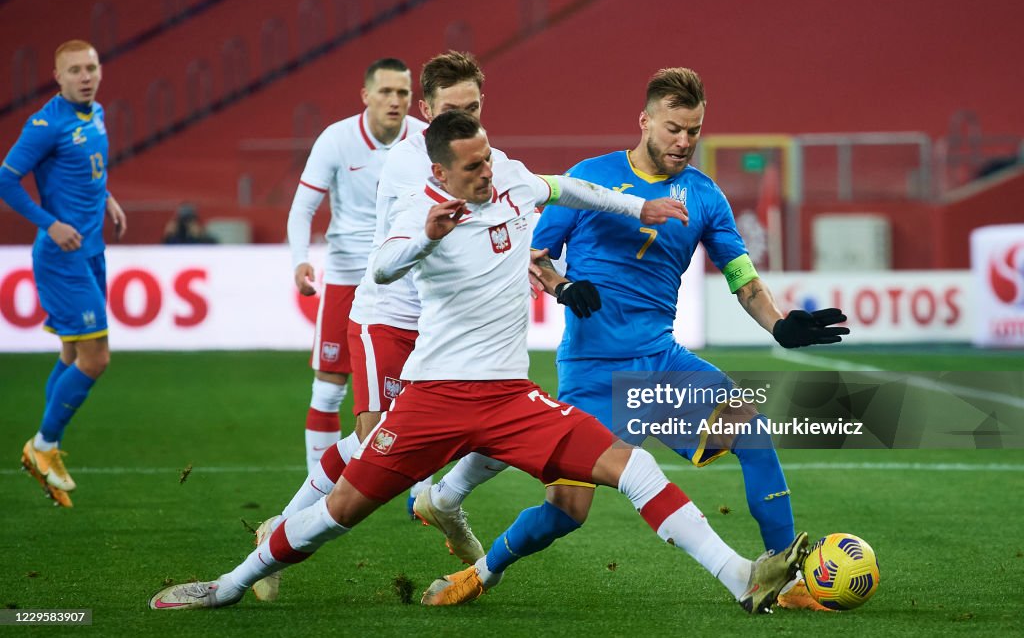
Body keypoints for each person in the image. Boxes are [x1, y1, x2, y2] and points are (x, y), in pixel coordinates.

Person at [149, 109, 809, 615]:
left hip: (508, 397)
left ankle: (740, 576)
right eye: (472, 168)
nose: (486, 174)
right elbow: (382, 264)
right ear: (441, 173)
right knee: (339, 511)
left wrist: (640, 204)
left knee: (630, 464)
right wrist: (422, 242)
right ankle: (231, 583)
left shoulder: (515, 179)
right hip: (434, 398)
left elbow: (577, 191)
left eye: (487, 159)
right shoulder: (419, 212)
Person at [425, 68, 849, 609]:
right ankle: (482, 573)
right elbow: (531, 254)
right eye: (674, 128)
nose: (684, 141)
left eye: (694, 131)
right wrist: (562, 285)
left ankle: (784, 581)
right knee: (566, 511)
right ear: (645, 121)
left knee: (753, 432)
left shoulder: (706, 197)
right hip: (592, 370)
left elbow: (742, 276)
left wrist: (780, 323)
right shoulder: (591, 177)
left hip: (662, 363)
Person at [247, 51, 527, 604]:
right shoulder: (409, 161)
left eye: (472, 109)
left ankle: (439, 500)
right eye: (452, 110)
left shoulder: (476, 159)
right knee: (377, 440)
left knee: (460, 424)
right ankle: (280, 535)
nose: (463, 122)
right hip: (388, 315)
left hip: (436, 325)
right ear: (427, 110)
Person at [0, 39, 127, 509]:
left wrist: (106, 196)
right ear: (57, 77)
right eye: (74, 70)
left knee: (75, 352)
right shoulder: (45, 125)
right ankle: (43, 446)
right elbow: (4, 179)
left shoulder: (96, 114)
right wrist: (49, 223)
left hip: (92, 250)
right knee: (96, 359)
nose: (85, 76)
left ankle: (45, 446)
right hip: (61, 255)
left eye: (91, 67)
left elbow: (86, 171)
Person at [286, 58, 426, 474]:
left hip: (408, 278)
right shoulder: (337, 139)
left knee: (422, 388)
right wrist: (300, 262)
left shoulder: (424, 139)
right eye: (385, 91)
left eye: (402, 92)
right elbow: (303, 208)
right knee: (328, 391)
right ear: (366, 95)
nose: (395, 100)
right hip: (349, 276)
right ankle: (318, 485)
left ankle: (420, 491)